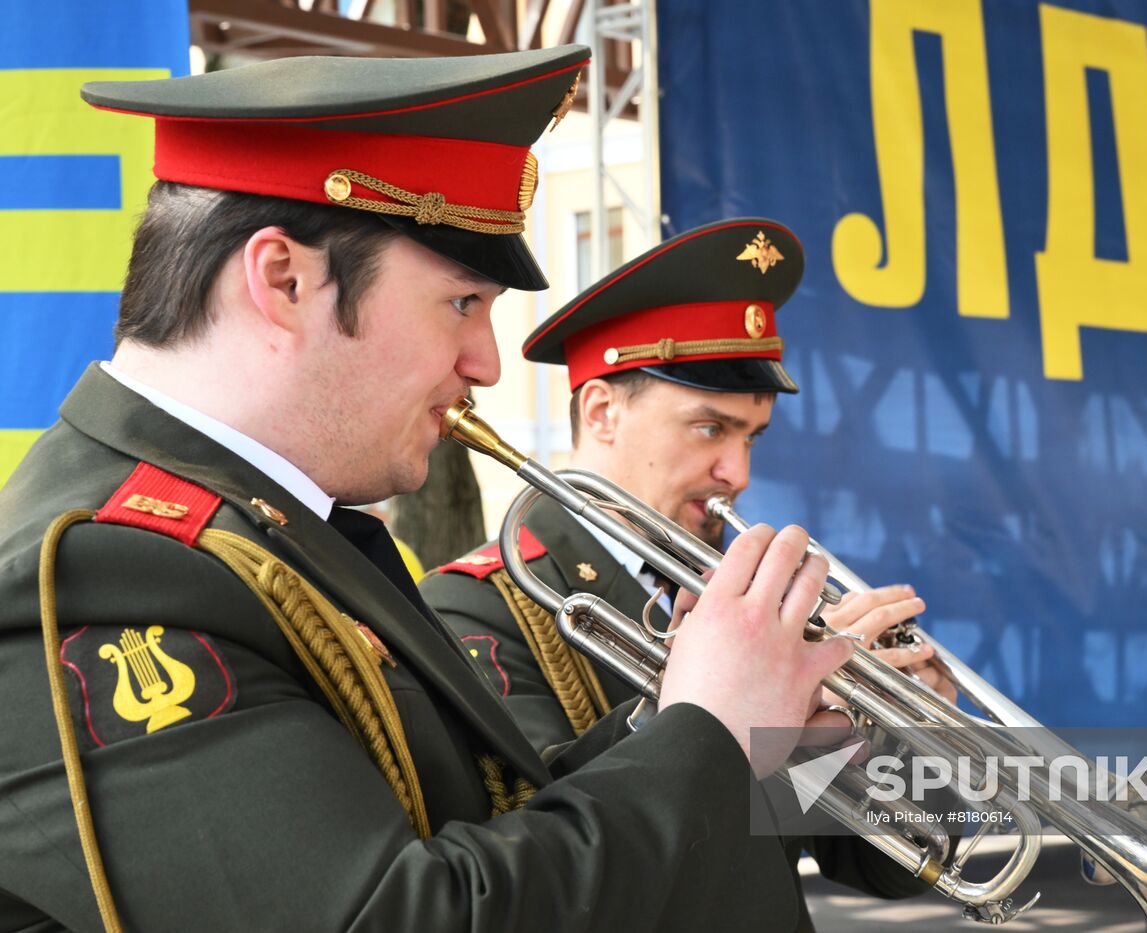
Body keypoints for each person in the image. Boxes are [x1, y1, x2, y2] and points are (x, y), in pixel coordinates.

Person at [0, 50, 854, 933]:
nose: (485, 361)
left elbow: (488, 822)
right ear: (285, 282)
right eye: (462, 303)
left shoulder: (265, 531)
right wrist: (710, 728)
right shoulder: (99, 570)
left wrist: (745, 718)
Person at [420, 219, 958, 929]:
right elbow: (530, 849)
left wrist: (894, 731)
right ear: (602, 411)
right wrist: (718, 703)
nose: (739, 472)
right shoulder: (473, 603)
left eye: (751, 436)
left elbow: (886, 865)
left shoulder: (740, 598)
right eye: (710, 428)